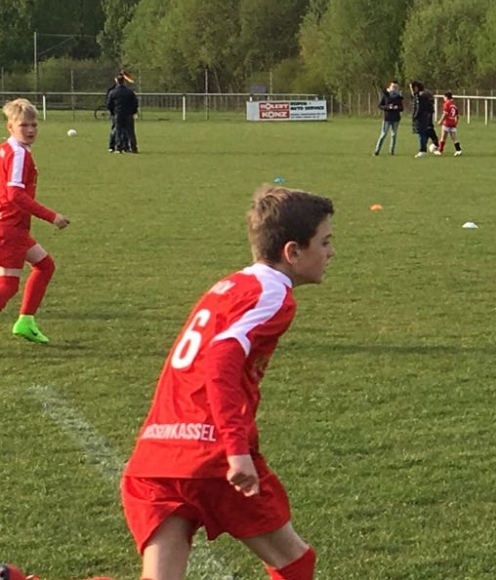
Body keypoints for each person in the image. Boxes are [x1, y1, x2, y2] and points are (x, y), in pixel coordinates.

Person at [120, 184, 335, 580]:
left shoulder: (230, 286)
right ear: (292, 252)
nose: (330, 252)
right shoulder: (273, 295)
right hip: (211, 456)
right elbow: (219, 362)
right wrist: (236, 451)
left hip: (157, 453)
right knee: (294, 563)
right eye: (324, 242)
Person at [0, 98, 71, 344]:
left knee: (45, 265)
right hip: (9, 227)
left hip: (13, 226)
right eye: (24, 125)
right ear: (10, 126)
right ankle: (25, 321)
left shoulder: (6, 149)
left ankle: (26, 321)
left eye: (34, 125)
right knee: (8, 285)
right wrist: (53, 216)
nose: (30, 130)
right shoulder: (18, 153)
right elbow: (15, 195)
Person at [107, 71, 139, 153]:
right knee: (130, 132)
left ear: (117, 81)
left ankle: (119, 148)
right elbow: (135, 103)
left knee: (118, 131)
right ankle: (133, 148)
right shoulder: (130, 92)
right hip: (128, 114)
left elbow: (109, 104)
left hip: (118, 114)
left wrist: (113, 112)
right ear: (124, 81)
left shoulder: (113, 92)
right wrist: (133, 111)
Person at [373, 80, 404, 156]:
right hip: (387, 118)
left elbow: (401, 108)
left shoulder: (398, 97)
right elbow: (380, 106)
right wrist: (388, 107)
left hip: (396, 119)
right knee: (383, 134)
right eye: (393, 86)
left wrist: (397, 107)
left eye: (396, 87)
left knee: (393, 135)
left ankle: (391, 151)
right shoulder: (386, 95)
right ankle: (377, 150)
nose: (394, 88)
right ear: (390, 87)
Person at [409, 81, 439, 157]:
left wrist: (415, 116)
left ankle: (424, 149)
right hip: (425, 116)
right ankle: (431, 145)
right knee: (426, 131)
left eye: (412, 88)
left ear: (416, 87)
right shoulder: (421, 95)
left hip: (423, 117)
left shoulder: (421, 96)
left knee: (423, 132)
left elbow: (420, 107)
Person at [436, 92, 462, 156]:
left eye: (444, 97)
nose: (443, 99)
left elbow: (445, 114)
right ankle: (458, 150)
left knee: (443, 137)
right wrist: (456, 122)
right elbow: (457, 115)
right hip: (453, 123)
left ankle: (440, 151)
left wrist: (440, 121)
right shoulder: (454, 105)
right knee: (454, 138)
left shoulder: (446, 104)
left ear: (446, 97)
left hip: (447, 123)